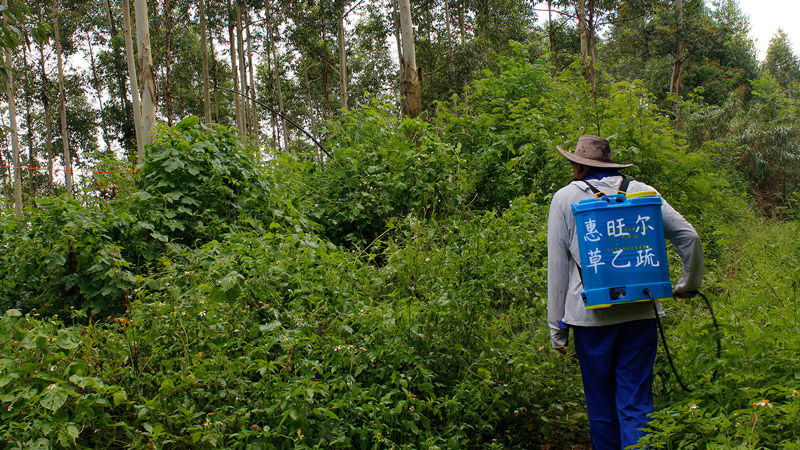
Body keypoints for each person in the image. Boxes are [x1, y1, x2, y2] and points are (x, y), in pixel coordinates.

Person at [547, 135, 703, 449]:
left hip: (590, 319)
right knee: (635, 403)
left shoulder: (565, 199)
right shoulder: (644, 192)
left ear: (578, 166)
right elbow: (690, 237)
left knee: (601, 405)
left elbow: (558, 268)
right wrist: (688, 285)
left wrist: (557, 328)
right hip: (641, 314)